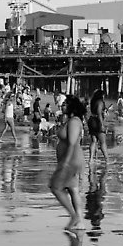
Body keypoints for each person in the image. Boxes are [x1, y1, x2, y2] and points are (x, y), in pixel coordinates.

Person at [48, 95, 87, 231]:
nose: (62, 105)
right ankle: (79, 222)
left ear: (71, 106)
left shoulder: (75, 121)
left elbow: (72, 143)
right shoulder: (69, 120)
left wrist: (65, 162)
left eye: (65, 103)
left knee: (55, 187)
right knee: (72, 189)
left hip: (71, 160)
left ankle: (74, 216)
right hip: (69, 160)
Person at [87, 90, 109, 163]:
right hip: (97, 121)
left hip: (91, 120)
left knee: (93, 141)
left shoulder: (93, 101)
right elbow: (99, 113)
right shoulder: (100, 102)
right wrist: (102, 124)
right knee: (103, 142)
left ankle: (90, 159)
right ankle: (107, 159)